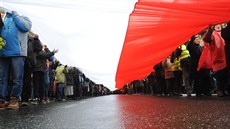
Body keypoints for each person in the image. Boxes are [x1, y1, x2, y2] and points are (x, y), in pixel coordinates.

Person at [0, 11, 32, 109]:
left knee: (17, 77)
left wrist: (15, 15)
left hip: (18, 52)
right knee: (2, 77)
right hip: (4, 52)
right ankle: (2, 99)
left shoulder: (25, 18)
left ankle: (14, 98)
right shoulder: (5, 19)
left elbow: (25, 27)